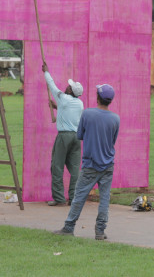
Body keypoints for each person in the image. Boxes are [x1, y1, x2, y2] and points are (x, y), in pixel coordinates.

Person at [54, 84, 120, 240]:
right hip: (108, 165)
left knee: (79, 197)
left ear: (97, 97)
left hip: (91, 164)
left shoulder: (87, 114)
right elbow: (113, 141)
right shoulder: (115, 118)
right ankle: (100, 231)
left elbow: (79, 135)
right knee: (104, 198)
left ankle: (69, 227)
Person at [43, 61, 84, 207]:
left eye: (69, 86)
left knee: (57, 166)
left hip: (64, 137)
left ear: (70, 91)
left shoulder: (64, 98)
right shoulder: (79, 103)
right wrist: (56, 107)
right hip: (76, 138)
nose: (67, 86)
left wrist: (46, 72)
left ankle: (59, 198)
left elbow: (52, 86)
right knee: (74, 170)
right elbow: (67, 112)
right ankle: (73, 198)